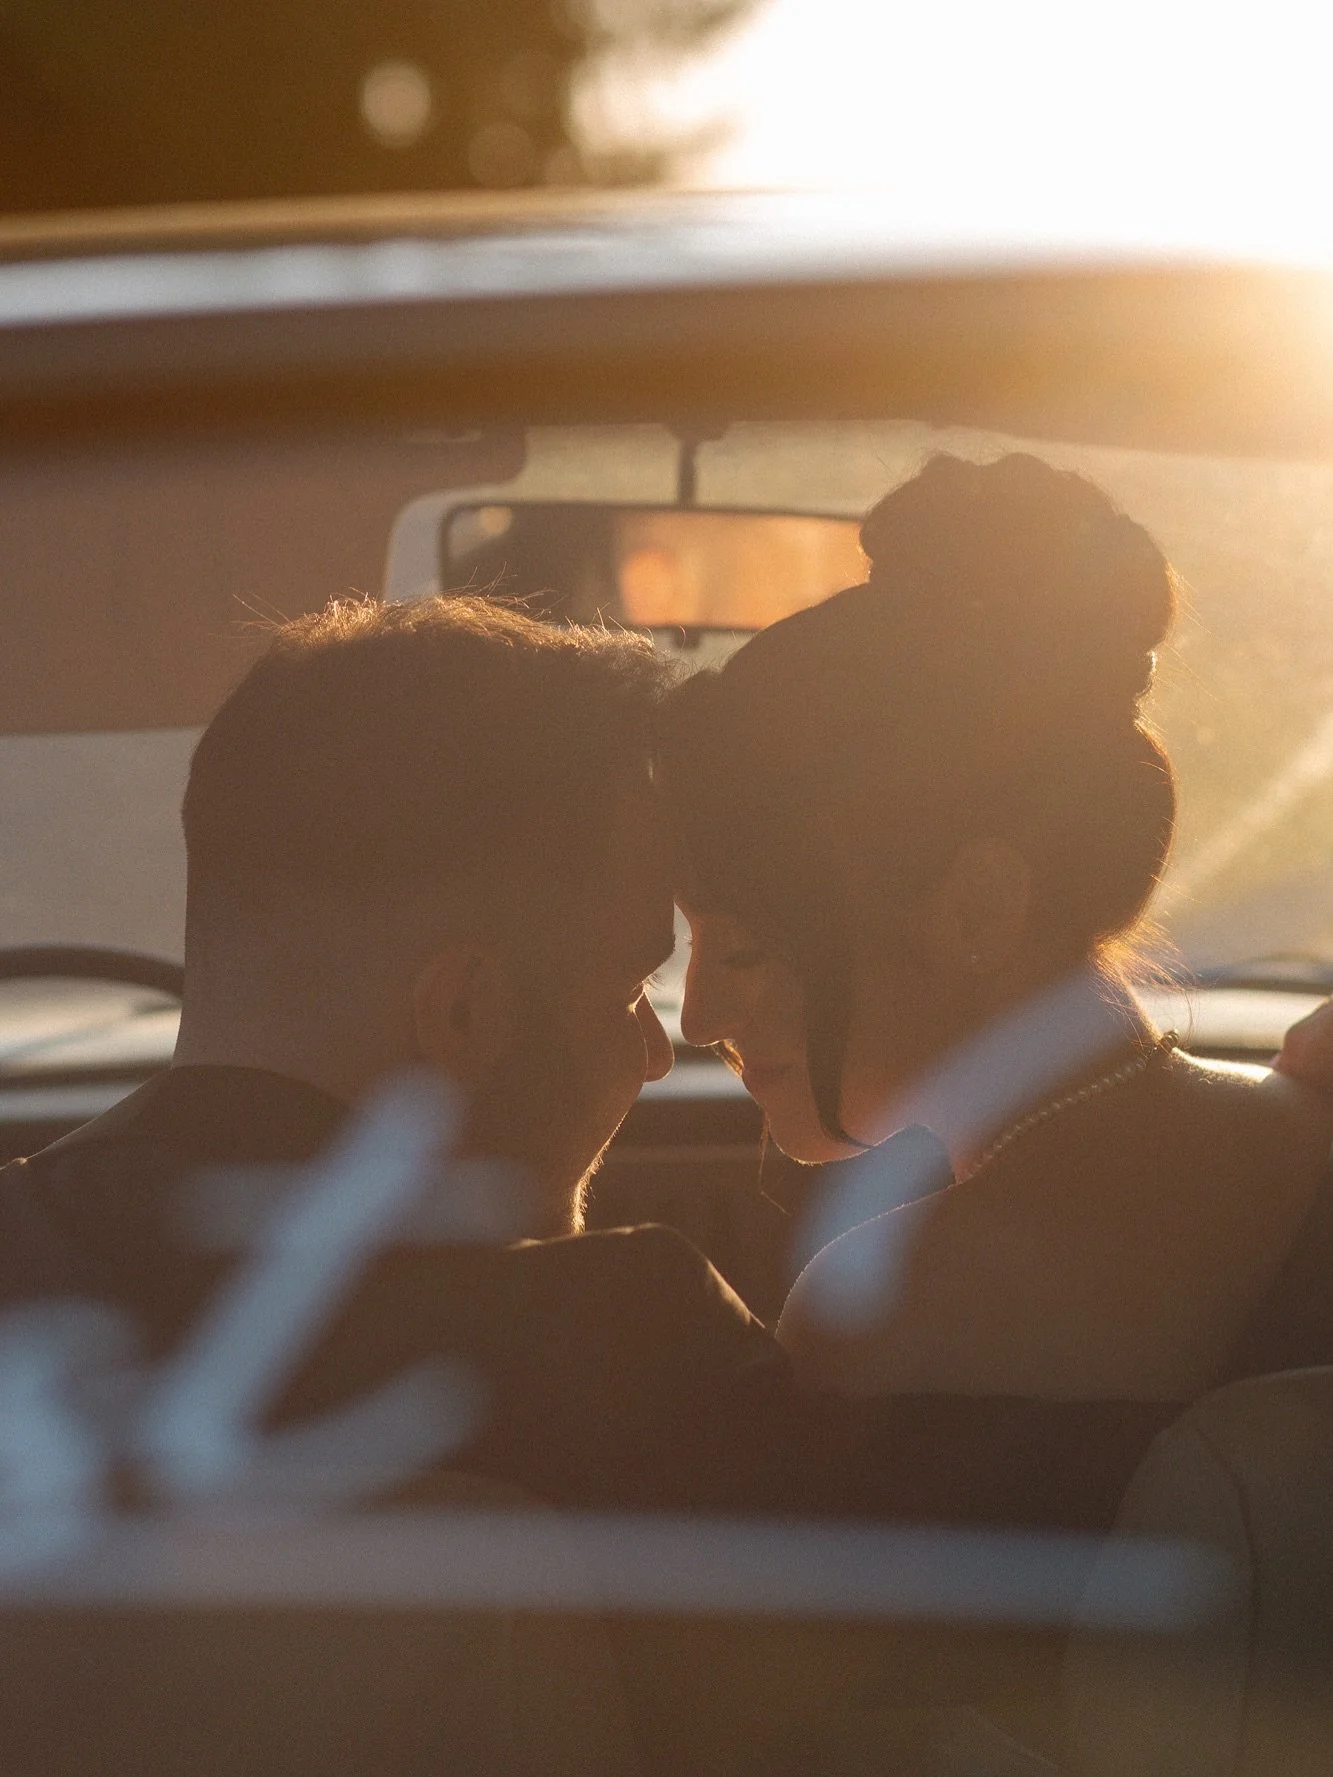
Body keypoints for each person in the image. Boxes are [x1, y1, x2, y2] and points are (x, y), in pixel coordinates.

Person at [0, 591, 1183, 1526]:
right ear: (464, 1010)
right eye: (626, 985)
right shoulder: (611, 1347)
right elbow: (1159, 1527)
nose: (660, 1049)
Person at [659, 452, 1333, 1403]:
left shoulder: (885, 1312)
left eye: (741, 949)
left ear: (977, 905)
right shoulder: (1308, 1124)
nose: (698, 1017)